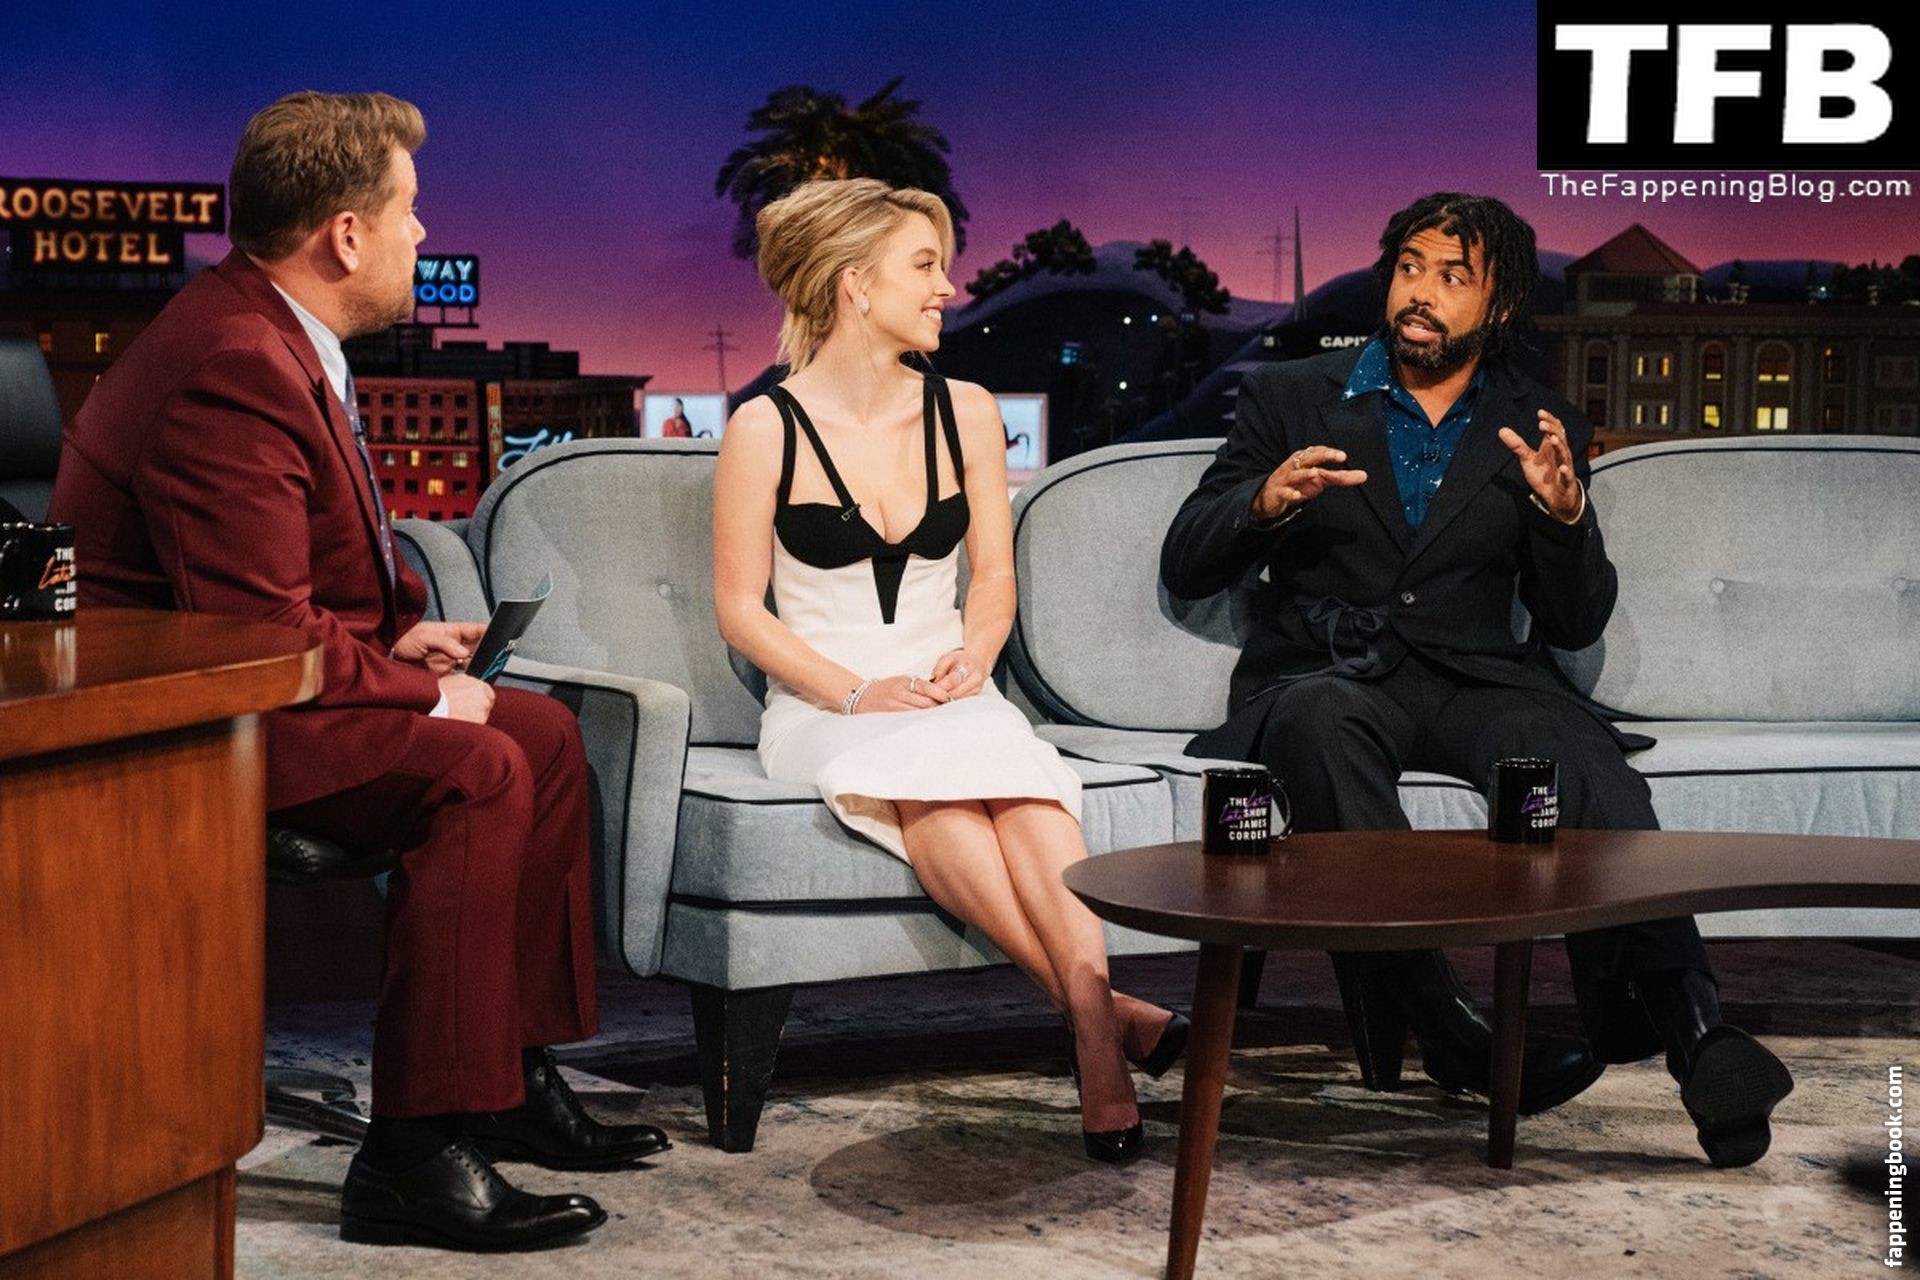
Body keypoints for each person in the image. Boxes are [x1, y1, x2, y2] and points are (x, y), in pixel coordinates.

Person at [48, 91, 667, 1251]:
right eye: (409, 211)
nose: (421, 234)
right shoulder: (233, 359)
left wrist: (394, 646)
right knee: (478, 767)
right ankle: (413, 1155)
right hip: (176, 725)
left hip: (243, 681)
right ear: (345, 233)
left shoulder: (271, 332)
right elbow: (256, 628)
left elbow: (276, 588)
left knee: (542, 735)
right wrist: (423, 691)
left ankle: (502, 1077)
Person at [1160, 192, 1793, 1168]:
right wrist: (1263, 500)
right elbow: (1187, 559)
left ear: (1497, 307)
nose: (1420, 292)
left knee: (1580, 756)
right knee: (1319, 722)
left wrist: (1564, 522)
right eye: (1410, 267)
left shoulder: (1539, 423)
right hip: (1335, 674)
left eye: (1453, 276)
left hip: (1478, 682)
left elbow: (1573, 622)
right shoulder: (1291, 395)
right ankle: (1449, 1029)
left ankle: (1699, 1034)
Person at [712, 179, 1186, 1163]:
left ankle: (1093, 1026)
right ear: (854, 284)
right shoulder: (764, 426)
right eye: (925, 265)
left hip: (949, 683)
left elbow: (994, 577)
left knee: (1019, 785)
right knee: (935, 793)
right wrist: (855, 692)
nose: (948, 287)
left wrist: (976, 657)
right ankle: (1099, 1031)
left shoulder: (965, 411)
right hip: (827, 702)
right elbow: (740, 610)